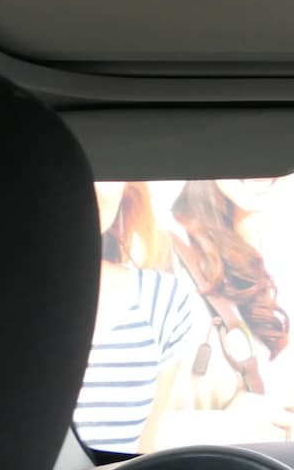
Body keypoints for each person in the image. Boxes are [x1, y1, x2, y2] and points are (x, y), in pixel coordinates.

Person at [157, 176, 294, 446]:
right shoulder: (158, 255)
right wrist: (222, 429)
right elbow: (114, 424)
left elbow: (291, 390)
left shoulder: (283, 243)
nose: (265, 169)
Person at [74, 181, 193, 453]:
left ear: (127, 188)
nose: (87, 186)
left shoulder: (162, 300)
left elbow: (145, 448)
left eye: (106, 171)